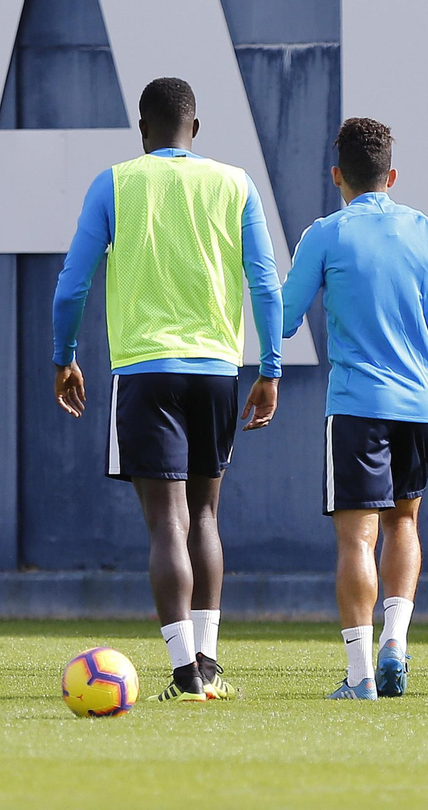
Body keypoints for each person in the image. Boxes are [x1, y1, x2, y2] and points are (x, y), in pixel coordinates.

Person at [52, 77, 283, 703]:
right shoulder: (235, 183)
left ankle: (183, 670)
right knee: (206, 516)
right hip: (215, 369)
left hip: (145, 368)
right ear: (196, 129)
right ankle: (209, 666)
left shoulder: (116, 182)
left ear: (142, 129)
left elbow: (72, 284)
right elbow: (265, 283)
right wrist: (271, 367)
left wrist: (64, 357)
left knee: (165, 525)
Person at [282, 117, 428, 700]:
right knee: (404, 523)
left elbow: (286, 318)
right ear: (391, 175)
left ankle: (360, 674)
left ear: (336, 175)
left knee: (355, 540)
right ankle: (395, 637)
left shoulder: (325, 233)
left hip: (355, 405)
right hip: (419, 405)